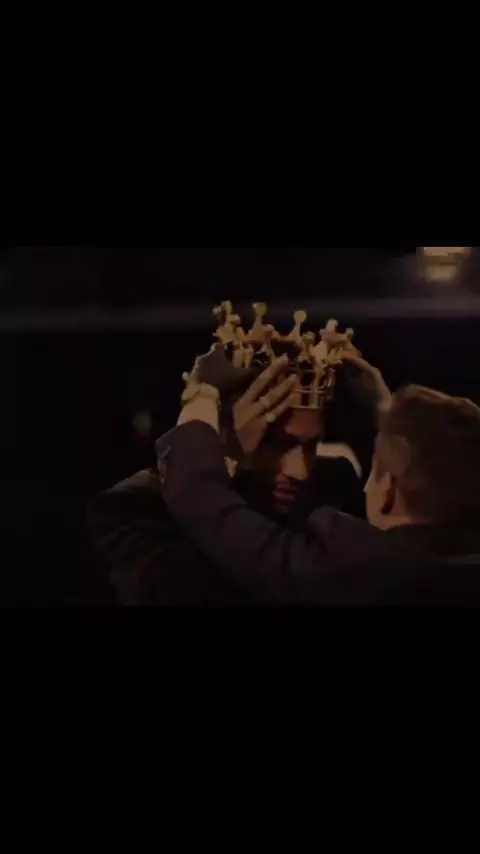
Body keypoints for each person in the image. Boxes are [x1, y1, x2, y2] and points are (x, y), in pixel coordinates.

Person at [162, 350, 480, 605]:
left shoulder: (358, 564)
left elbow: (198, 491)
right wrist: (388, 415)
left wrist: (202, 396)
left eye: (376, 471)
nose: (300, 471)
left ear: (388, 492)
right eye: (278, 444)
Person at [87, 353, 371, 606]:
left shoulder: (334, 484)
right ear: (219, 432)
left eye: (310, 446)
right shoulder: (137, 507)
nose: (300, 471)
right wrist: (231, 469)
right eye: (276, 444)